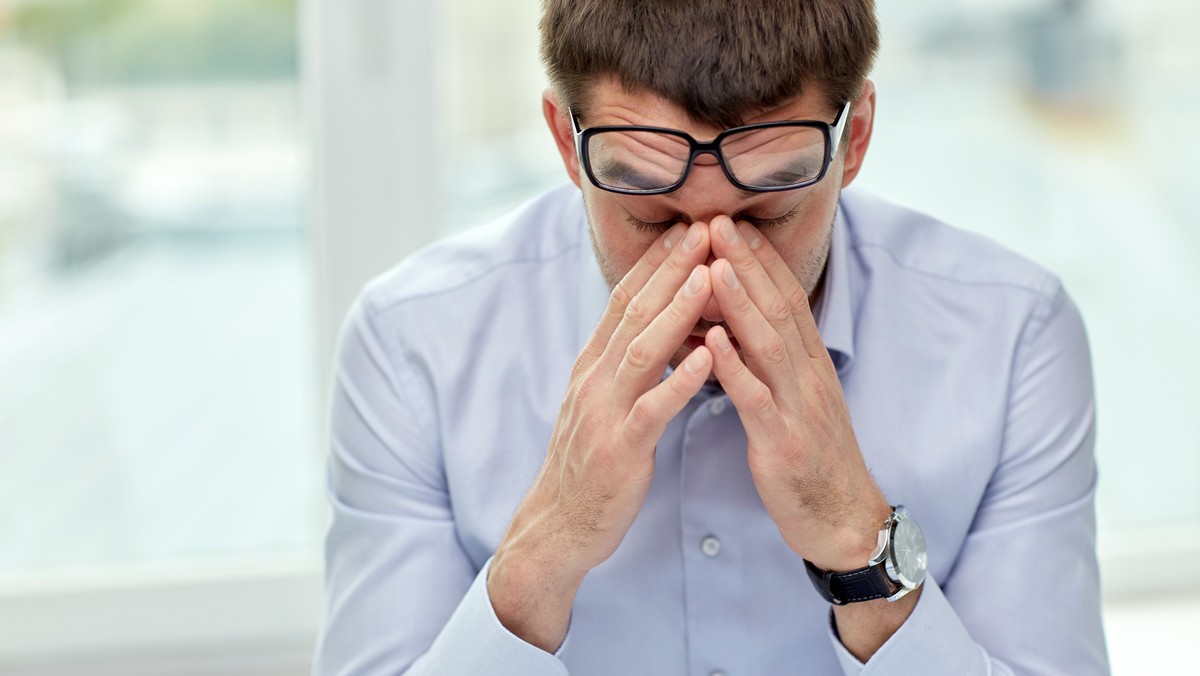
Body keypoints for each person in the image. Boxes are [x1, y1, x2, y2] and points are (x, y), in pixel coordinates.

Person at [313, 1, 1109, 674]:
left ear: (855, 137)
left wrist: (855, 538)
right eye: (647, 210)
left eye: (770, 207)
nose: (711, 266)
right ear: (565, 141)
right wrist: (552, 540)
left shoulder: (1012, 338)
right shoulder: (411, 343)